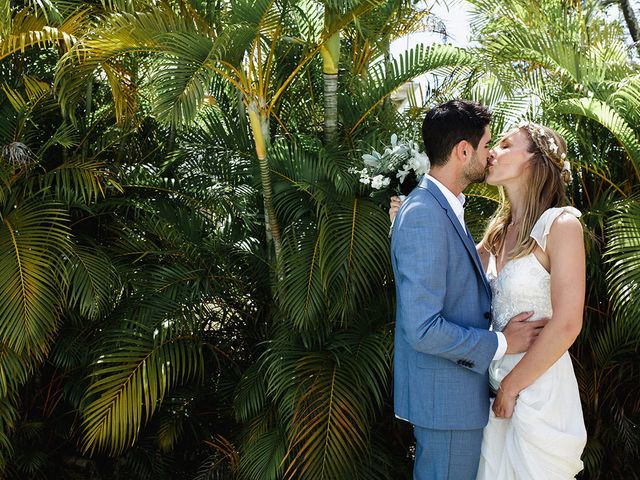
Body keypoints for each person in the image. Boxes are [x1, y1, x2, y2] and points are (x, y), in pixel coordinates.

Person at [390, 100, 547, 480]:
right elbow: (423, 328)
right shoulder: (425, 213)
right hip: (446, 405)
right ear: (463, 151)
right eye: (486, 144)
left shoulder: (442, 208)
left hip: (457, 400)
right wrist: (502, 343)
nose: (490, 153)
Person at [474, 122, 587, 479]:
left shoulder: (562, 225)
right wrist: (404, 221)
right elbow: (445, 270)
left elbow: (568, 322)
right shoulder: (496, 234)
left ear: (535, 161)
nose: (493, 151)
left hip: (539, 393)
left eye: (506, 145)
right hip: (494, 395)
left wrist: (512, 386)